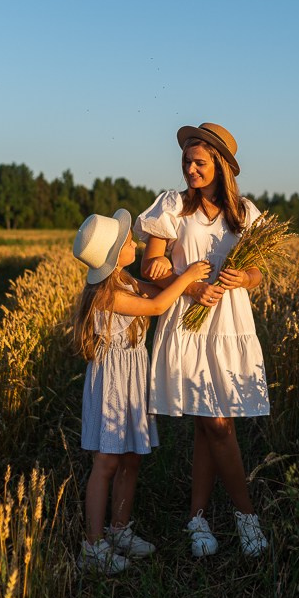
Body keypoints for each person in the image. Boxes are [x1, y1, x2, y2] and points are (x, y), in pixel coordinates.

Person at [134, 122, 270, 558]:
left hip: (229, 322)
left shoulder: (244, 213)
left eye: (199, 162)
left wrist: (241, 277)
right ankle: (246, 517)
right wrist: (190, 286)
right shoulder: (172, 207)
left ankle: (197, 517)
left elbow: (259, 274)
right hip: (188, 321)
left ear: (222, 167)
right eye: (186, 162)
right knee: (214, 422)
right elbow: (151, 264)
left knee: (209, 424)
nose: (190, 169)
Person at [72, 208, 210, 574]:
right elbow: (157, 305)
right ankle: (92, 545)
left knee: (131, 457)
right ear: (117, 255)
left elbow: (164, 296)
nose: (135, 241)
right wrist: (191, 274)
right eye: (128, 241)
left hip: (133, 376)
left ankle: (119, 530)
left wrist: (191, 287)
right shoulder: (106, 295)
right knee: (107, 461)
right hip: (113, 382)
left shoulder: (127, 282)